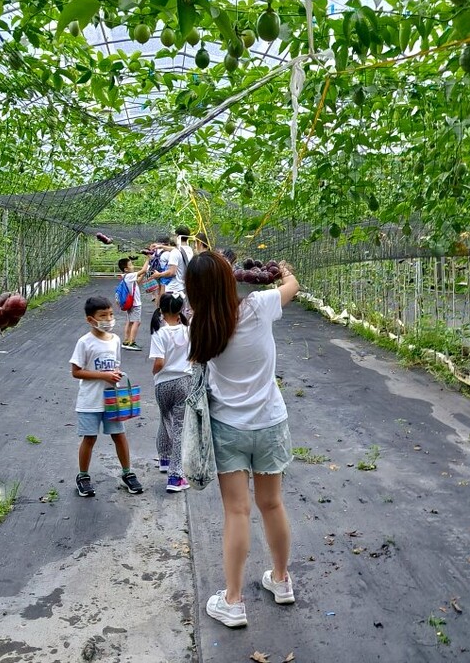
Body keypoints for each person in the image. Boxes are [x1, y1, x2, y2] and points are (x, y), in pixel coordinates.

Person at [185, 251, 299, 628]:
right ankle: (281, 581)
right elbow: (293, 287)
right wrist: (283, 271)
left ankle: (233, 602)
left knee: (237, 511)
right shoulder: (260, 306)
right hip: (269, 422)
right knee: (272, 504)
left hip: (227, 427)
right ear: (230, 279)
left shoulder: (199, 324)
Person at [69, 296, 144, 497]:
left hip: (112, 401)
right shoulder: (84, 342)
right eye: (103, 316)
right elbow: (76, 371)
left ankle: (128, 473)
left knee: (119, 435)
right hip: (90, 401)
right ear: (90, 319)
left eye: (110, 314)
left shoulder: (116, 340)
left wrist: (115, 373)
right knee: (89, 438)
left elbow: (115, 364)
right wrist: (103, 375)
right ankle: (83, 476)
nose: (109, 319)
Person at [148, 293, 192, 493]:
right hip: (183, 381)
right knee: (179, 427)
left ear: (162, 309)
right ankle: (176, 476)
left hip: (162, 383)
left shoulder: (159, 331)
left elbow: (158, 363)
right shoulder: (188, 330)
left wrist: (155, 374)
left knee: (164, 418)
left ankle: (165, 459)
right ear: (181, 309)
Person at [116, 257, 142, 351]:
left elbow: (138, 282)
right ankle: (132, 342)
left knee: (130, 321)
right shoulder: (130, 275)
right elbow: (142, 270)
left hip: (130, 303)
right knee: (137, 322)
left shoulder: (127, 277)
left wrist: (143, 274)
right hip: (135, 303)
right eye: (130, 264)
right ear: (126, 269)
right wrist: (148, 259)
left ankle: (126, 340)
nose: (133, 266)